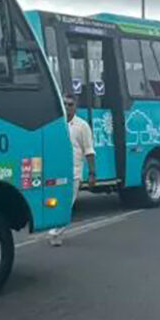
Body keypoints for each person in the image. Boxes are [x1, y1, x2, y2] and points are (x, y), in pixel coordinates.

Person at [49, 93, 95, 246]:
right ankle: (55, 233)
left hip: (74, 172)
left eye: (70, 104)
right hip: (57, 171)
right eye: (65, 104)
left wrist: (92, 174)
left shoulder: (82, 126)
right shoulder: (56, 124)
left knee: (68, 203)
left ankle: (55, 233)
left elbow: (89, 151)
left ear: (75, 107)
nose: (67, 107)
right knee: (56, 202)